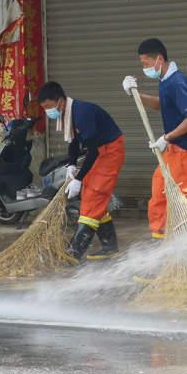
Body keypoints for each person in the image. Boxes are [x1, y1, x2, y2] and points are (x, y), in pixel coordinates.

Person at [122, 38, 187, 239]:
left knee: (185, 208)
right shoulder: (165, 80)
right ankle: (164, 249)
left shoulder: (176, 82)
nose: (144, 68)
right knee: (159, 196)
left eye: (146, 63)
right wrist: (135, 94)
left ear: (159, 59)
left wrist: (167, 138)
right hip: (173, 152)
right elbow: (161, 104)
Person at [38, 82, 125, 260]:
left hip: (110, 151)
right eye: (44, 108)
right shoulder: (68, 114)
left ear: (60, 101)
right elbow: (74, 143)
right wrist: (71, 165)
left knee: (94, 196)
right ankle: (110, 247)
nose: (48, 112)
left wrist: (79, 179)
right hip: (100, 152)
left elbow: (92, 150)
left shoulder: (82, 113)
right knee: (90, 195)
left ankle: (74, 252)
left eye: (48, 106)